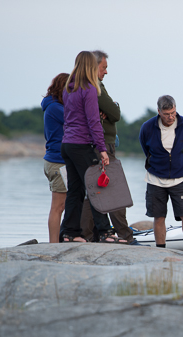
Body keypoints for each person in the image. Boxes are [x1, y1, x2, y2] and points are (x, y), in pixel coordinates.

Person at [59, 51, 120, 244]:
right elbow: (93, 121)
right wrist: (102, 149)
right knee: (95, 188)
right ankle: (105, 232)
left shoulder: (68, 88)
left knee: (75, 190)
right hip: (81, 145)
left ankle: (69, 233)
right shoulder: (90, 88)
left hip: (67, 145)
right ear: (91, 67)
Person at [79, 51, 133, 243]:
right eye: (104, 67)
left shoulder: (82, 87)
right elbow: (115, 113)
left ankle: (85, 235)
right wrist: (112, 107)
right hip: (103, 145)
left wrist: (110, 108)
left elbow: (110, 110)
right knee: (114, 189)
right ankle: (124, 235)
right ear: (94, 68)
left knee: (91, 191)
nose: (106, 72)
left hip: (92, 145)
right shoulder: (96, 87)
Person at [139, 95, 183, 249]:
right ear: (158, 111)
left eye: (173, 113)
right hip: (155, 178)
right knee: (159, 217)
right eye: (166, 114)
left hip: (181, 176)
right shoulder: (147, 127)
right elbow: (145, 148)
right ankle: (160, 249)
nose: (171, 117)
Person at [42, 73, 69, 243]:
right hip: (58, 161)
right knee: (58, 207)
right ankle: (53, 245)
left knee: (62, 205)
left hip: (57, 160)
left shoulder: (54, 106)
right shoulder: (56, 108)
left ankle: (60, 239)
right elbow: (77, 122)